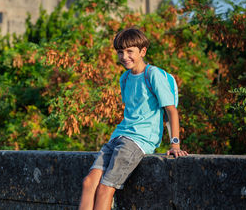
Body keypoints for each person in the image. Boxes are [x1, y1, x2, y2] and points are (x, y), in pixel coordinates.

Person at [79, 28, 188, 210]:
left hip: (138, 140)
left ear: (142, 51)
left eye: (130, 51)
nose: (124, 56)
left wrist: (174, 143)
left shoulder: (152, 74)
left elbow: (171, 111)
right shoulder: (125, 77)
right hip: (119, 136)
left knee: (106, 188)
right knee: (89, 182)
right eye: (120, 52)